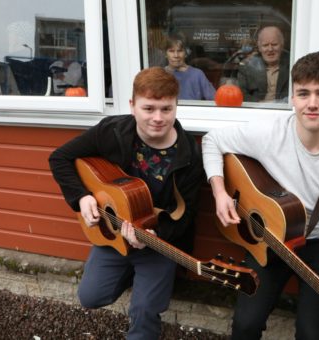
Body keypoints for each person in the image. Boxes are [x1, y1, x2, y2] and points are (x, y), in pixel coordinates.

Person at [202, 52, 319, 339]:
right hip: (270, 235)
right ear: (292, 97)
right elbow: (212, 140)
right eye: (303, 93)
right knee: (245, 324)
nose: (313, 103)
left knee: (312, 334)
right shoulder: (269, 132)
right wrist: (219, 192)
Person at [48, 67, 204, 339]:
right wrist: (81, 197)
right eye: (149, 108)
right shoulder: (113, 131)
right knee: (90, 297)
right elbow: (59, 158)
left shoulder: (189, 154)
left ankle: (147, 291)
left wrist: (154, 236)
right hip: (114, 230)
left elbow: (187, 214)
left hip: (158, 241)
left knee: (144, 311)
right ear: (133, 106)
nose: (158, 118)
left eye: (166, 109)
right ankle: (136, 275)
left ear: (176, 106)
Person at [237, 25, 290, 102]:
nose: (270, 49)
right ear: (259, 48)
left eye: (274, 44)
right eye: (265, 45)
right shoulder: (247, 67)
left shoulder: (293, 64)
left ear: (282, 45)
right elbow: (241, 94)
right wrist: (260, 105)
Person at [164, 35, 215, 100]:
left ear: (186, 53)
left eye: (180, 51)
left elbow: (214, 99)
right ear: (165, 54)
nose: (176, 55)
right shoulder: (160, 75)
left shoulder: (197, 74)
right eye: (171, 51)